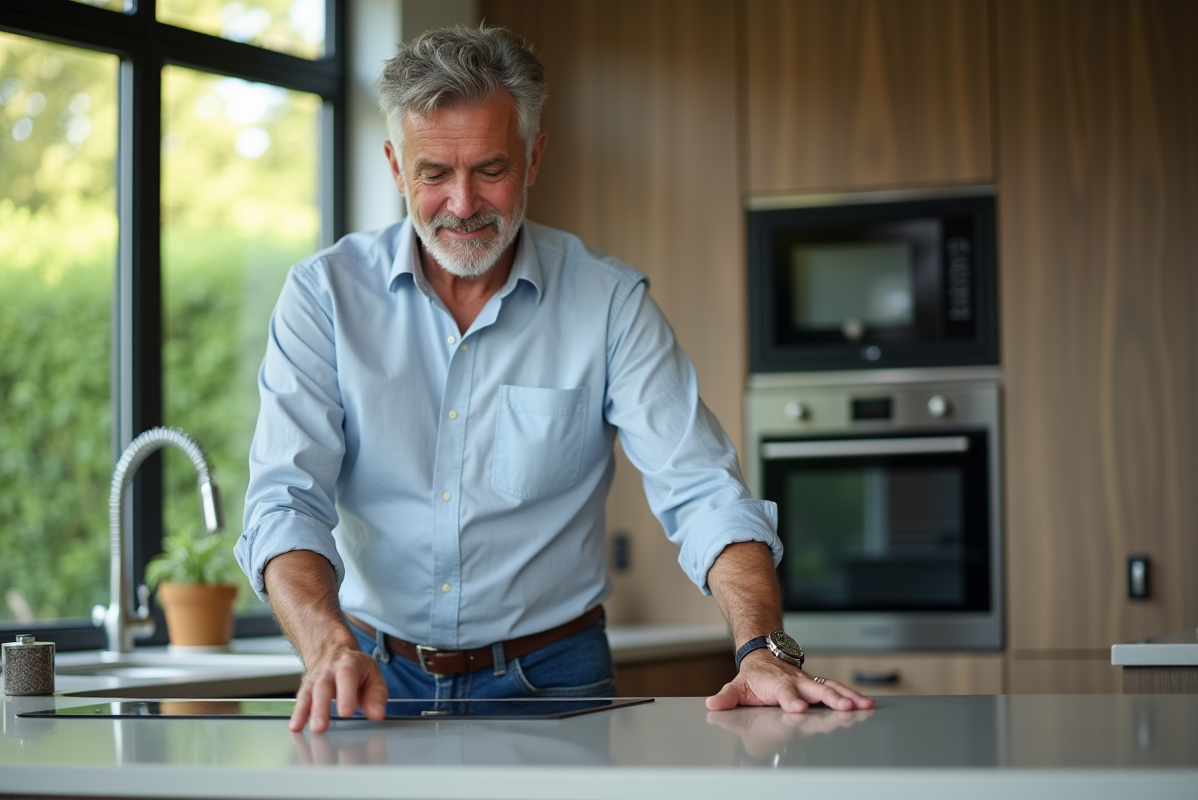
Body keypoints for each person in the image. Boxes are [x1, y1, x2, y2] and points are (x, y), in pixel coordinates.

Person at [236, 24, 874, 733]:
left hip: (553, 677)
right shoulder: (324, 297)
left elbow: (702, 492)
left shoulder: (608, 303)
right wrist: (326, 643)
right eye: (435, 174)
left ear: (534, 157)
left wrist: (762, 647)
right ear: (395, 167)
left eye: (490, 169)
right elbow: (286, 500)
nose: (464, 204)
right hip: (367, 671)